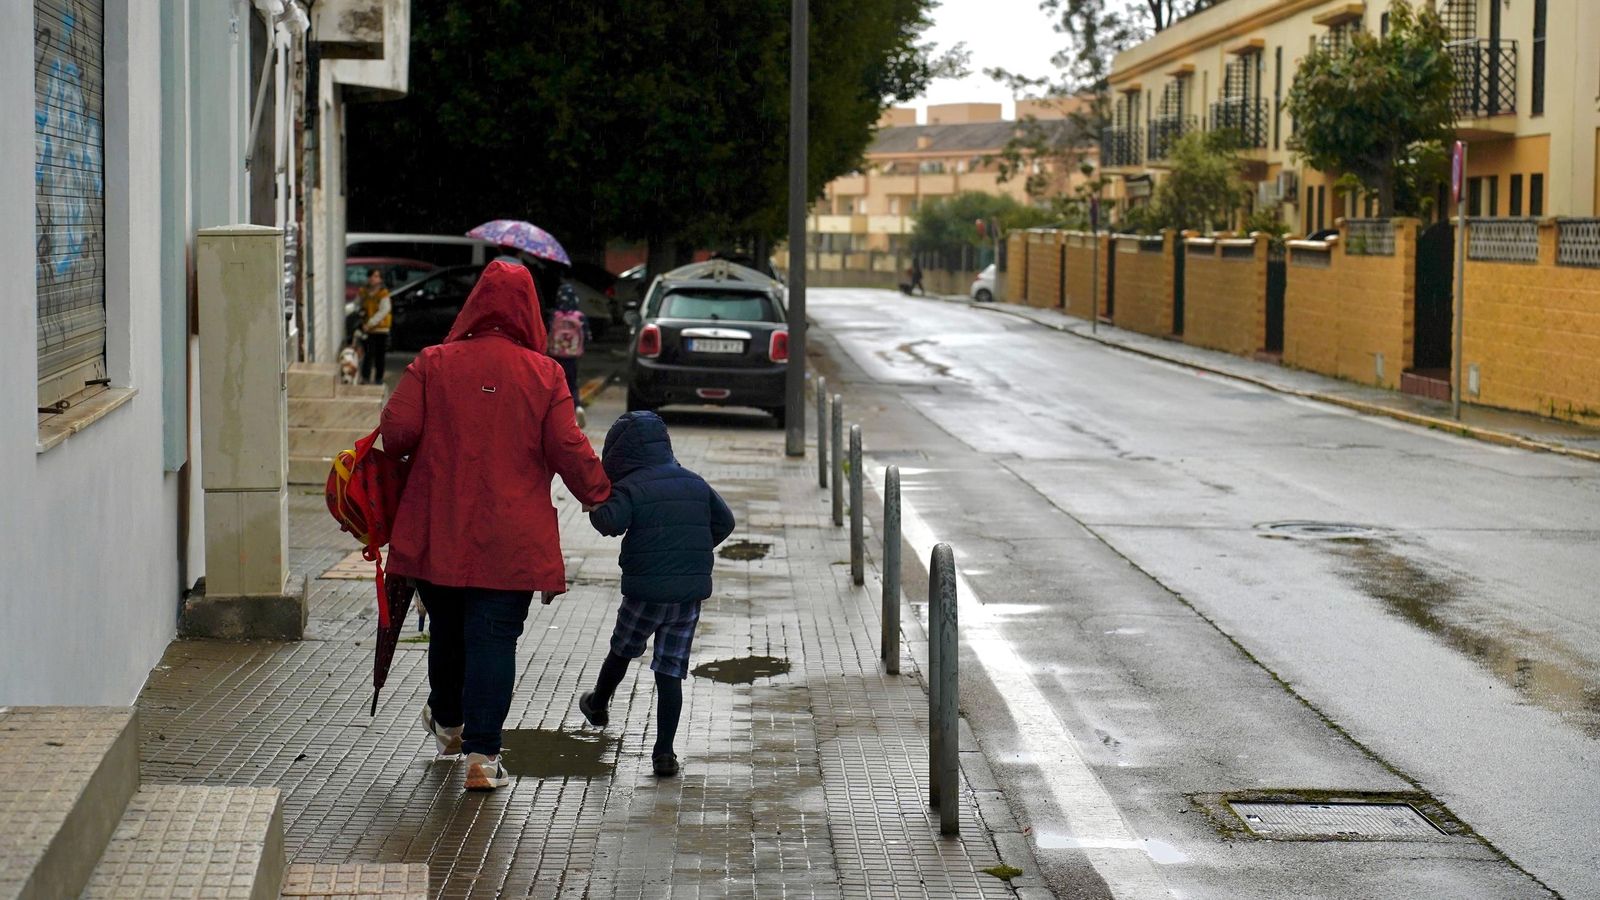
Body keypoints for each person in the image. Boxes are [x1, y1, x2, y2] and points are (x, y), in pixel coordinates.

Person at [380, 260, 611, 792]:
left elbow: (396, 435)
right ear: (531, 311)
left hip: (440, 529)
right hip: (511, 539)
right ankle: (482, 755)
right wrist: (601, 496)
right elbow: (567, 448)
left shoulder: (432, 363)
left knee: (449, 631)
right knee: (493, 640)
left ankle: (449, 722)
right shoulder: (545, 374)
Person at [577, 411, 736, 777]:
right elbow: (724, 522)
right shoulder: (695, 483)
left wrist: (593, 505)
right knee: (670, 671)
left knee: (623, 648)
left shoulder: (632, 488)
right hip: (686, 598)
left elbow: (610, 524)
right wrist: (693, 551)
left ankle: (598, 703)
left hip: (645, 592)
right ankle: (664, 753)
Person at [547, 283, 591, 429]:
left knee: (555, 386)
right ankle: (577, 407)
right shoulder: (579, 317)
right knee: (572, 385)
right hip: (572, 358)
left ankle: (556, 416)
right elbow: (588, 337)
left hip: (555, 357)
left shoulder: (554, 316)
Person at [357, 268, 392, 385]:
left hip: (381, 329)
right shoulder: (363, 292)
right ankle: (365, 377)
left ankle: (378, 378)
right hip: (368, 329)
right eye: (371, 276)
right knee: (368, 354)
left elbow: (384, 310)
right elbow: (358, 305)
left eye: (376, 276)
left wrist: (370, 323)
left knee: (380, 355)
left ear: (381, 279)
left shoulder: (383, 293)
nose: (373, 279)